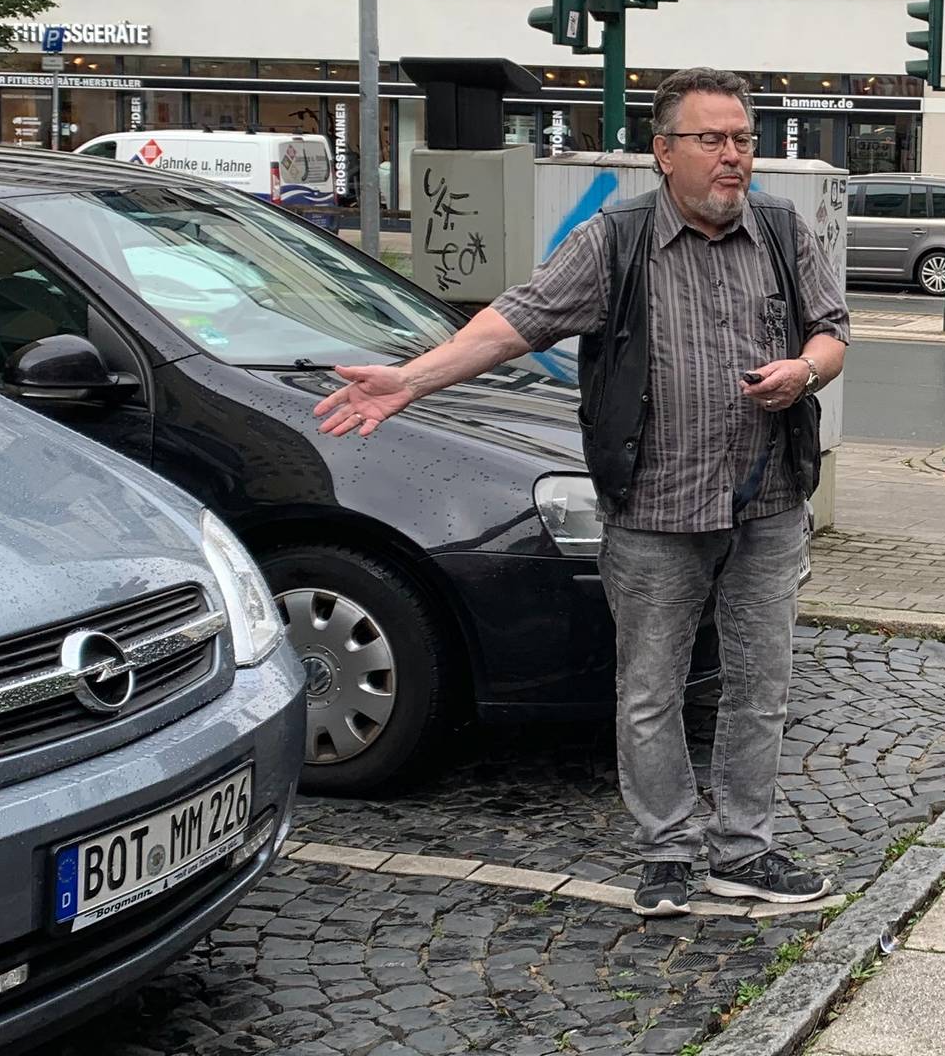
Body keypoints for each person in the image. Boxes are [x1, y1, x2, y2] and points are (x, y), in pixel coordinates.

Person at [315, 68, 848, 917]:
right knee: (650, 691)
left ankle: (744, 850)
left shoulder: (782, 230)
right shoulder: (615, 242)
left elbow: (832, 331)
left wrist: (806, 371)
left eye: (743, 139)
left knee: (760, 687)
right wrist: (410, 381)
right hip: (655, 510)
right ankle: (668, 849)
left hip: (767, 503)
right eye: (711, 139)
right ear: (663, 152)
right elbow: (513, 323)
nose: (733, 156)